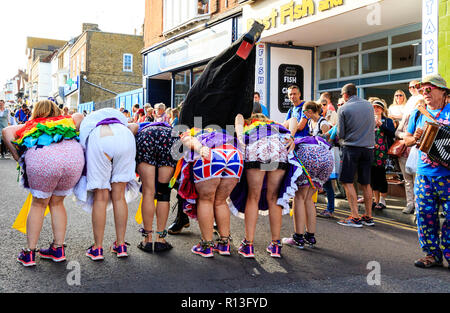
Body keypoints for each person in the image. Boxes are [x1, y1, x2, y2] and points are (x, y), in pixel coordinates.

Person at [2, 100, 85, 267]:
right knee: (57, 203)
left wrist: (19, 158)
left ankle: (29, 253)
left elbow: (6, 131)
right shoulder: (66, 121)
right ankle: (58, 249)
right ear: (56, 110)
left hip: (43, 161)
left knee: (39, 204)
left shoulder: (32, 124)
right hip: (73, 161)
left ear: (36, 112)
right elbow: (80, 116)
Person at [74, 108, 140, 261]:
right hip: (125, 136)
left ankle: (97, 248)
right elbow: (134, 126)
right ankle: (121, 245)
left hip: (100, 137)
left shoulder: (88, 123)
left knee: (100, 196)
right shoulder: (118, 117)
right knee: (119, 195)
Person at [230, 113, 295, 258]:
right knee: (274, 198)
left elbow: (239, 117)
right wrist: (292, 136)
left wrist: (240, 138)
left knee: (253, 197)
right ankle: (276, 245)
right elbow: (293, 119)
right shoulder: (273, 125)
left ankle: (248, 245)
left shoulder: (249, 123)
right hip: (278, 148)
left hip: (256, 147)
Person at [403, 74, 450, 269]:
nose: (425, 93)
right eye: (423, 89)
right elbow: (406, 140)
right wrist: (414, 138)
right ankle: (431, 254)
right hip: (424, 174)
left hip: (447, 175)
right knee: (425, 215)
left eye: (429, 89)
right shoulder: (418, 113)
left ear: (442, 92)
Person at [177, 128, 244, 257]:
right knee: (220, 201)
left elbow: (188, 140)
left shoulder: (191, 133)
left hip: (210, 155)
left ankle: (206, 246)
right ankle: (224, 244)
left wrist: (200, 148)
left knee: (206, 200)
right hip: (234, 155)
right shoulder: (222, 133)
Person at [282, 117, 334, 249]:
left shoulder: (287, 137)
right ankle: (310, 236)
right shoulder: (307, 138)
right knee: (308, 198)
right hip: (327, 157)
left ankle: (298, 237)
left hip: (308, 156)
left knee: (299, 197)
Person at [135, 121, 179, 253]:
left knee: (148, 192)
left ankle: (147, 240)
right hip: (171, 138)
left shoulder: (142, 126)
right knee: (163, 193)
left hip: (146, 137)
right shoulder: (169, 127)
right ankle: (160, 239)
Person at [336, 83, 375, 227]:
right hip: (368, 148)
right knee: (366, 183)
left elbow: (341, 134)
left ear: (345, 94)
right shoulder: (369, 105)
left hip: (351, 148)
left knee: (347, 181)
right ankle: (368, 216)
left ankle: (355, 217)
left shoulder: (343, 108)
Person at [302, 101, 336, 218]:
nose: (304, 114)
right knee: (313, 183)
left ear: (310, 112)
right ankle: (312, 205)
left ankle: (330, 209)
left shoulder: (323, 123)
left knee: (327, 185)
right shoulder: (310, 122)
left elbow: (328, 139)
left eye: (304, 112)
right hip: (315, 158)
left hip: (323, 158)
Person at [395, 98, 423, 214]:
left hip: (418, 153)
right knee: (407, 180)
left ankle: (417, 206)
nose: (420, 108)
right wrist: (406, 137)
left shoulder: (425, 119)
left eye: (422, 106)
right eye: (419, 105)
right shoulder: (408, 117)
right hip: (405, 151)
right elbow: (397, 132)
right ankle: (410, 204)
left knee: (418, 180)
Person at [370, 99, 395, 210]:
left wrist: (381, 125)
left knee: (381, 176)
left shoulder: (387, 121)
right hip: (371, 151)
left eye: (378, 107)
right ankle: (375, 200)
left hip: (383, 151)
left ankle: (382, 200)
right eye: (374, 107)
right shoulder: (369, 120)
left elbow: (392, 133)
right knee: (373, 176)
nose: (376, 109)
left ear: (382, 109)